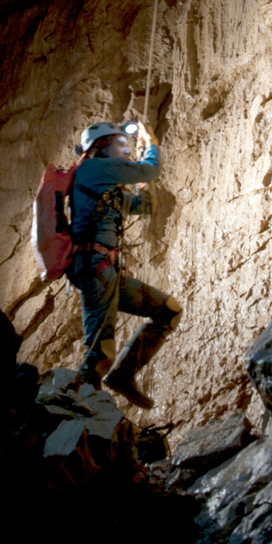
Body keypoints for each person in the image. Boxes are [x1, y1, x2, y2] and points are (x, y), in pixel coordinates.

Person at [68, 120, 182, 408]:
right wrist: (150, 144)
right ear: (102, 146)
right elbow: (151, 168)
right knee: (99, 349)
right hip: (94, 267)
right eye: (121, 143)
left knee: (168, 311)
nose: (127, 149)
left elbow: (143, 206)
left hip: (106, 270)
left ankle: (121, 376)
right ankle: (78, 409)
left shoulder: (108, 188)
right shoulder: (92, 169)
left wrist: (142, 180)